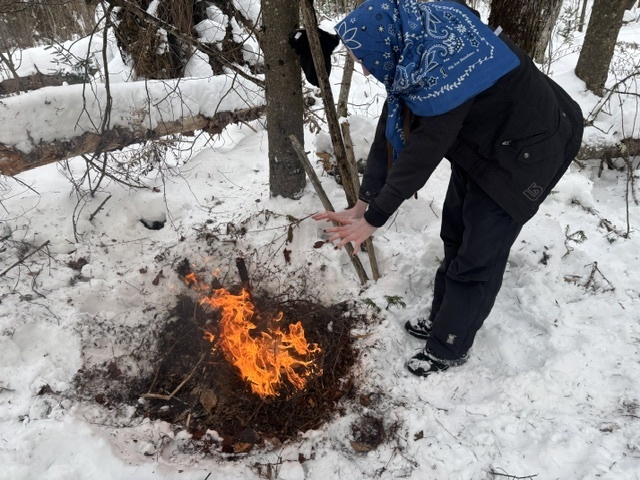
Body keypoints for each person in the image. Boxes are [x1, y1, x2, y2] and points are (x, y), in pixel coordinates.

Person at [312, 0, 584, 377]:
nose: (364, 67)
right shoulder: (417, 47)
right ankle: (445, 318)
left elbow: (422, 152)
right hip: (486, 142)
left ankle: (449, 344)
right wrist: (365, 200)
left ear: (387, 44)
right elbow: (391, 129)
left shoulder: (448, 66)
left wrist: (374, 217)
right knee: (455, 229)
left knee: (478, 254)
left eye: (365, 58)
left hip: (530, 150)